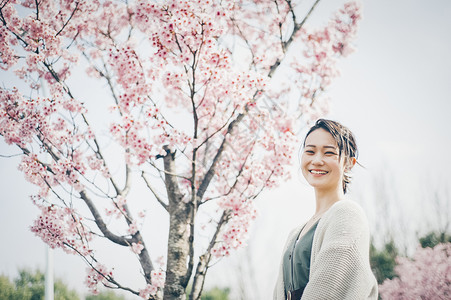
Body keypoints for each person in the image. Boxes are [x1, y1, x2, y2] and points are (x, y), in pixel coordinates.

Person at [274, 119, 378, 300]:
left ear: (349, 163)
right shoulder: (295, 233)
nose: (317, 160)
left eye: (329, 153)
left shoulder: (347, 214)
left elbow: (328, 292)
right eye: (310, 151)